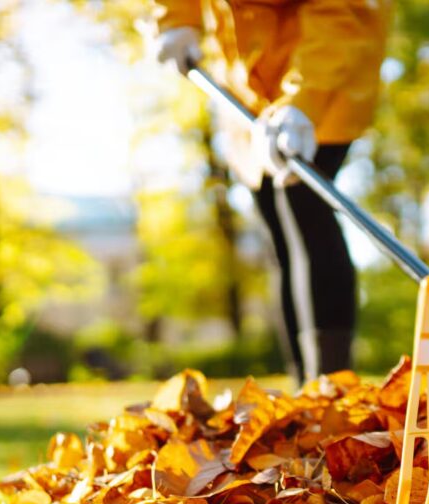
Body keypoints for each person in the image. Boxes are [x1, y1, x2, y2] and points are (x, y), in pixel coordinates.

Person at [149, 0, 392, 385]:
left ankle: (330, 387)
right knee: (276, 224)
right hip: (247, 81)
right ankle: (305, 391)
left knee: (301, 205)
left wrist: (302, 101)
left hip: (323, 65)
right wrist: (178, 19)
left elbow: (339, 12)